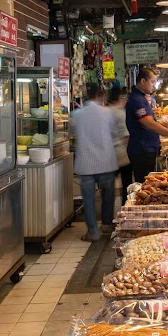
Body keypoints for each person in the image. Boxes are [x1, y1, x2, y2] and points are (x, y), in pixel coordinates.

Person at [71, 84, 118, 242]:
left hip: (86, 163)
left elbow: (72, 133)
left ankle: (93, 232)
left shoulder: (77, 114)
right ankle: (106, 225)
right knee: (108, 195)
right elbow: (114, 132)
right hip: (106, 161)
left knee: (88, 200)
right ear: (100, 96)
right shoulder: (107, 112)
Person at [126, 67, 168, 182]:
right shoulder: (137, 100)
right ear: (143, 81)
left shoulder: (141, 98)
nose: (154, 85)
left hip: (147, 149)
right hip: (142, 150)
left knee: (147, 184)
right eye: (152, 81)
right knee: (145, 185)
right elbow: (149, 124)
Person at [107, 86, 133, 205]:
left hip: (108, 153)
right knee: (126, 184)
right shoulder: (120, 113)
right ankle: (125, 208)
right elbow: (126, 136)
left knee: (108, 187)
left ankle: (107, 215)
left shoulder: (106, 112)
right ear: (120, 97)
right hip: (121, 154)